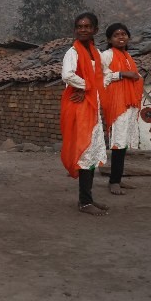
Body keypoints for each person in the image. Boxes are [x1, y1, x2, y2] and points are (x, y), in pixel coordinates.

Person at [60, 12, 109, 216]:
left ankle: (87, 198)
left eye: (87, 26)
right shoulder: (73, 52)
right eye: (79, 26)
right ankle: (84, 202)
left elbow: (103, 76)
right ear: (75, 30)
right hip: (79, 106)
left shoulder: (96, 53)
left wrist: (92, 89)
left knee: (91, 152)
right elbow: (68, 75)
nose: (83, 29)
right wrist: (86, 86)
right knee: (84, 150)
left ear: (95, 30)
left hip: (92, 105)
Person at [101, 23, 143, 195]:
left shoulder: (128, 56)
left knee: (123, 141)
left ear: (128, 37)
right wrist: (121, 74)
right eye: (116, 34)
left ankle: (117, 178)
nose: (121, 37)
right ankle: (114, 182)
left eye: (124, 34)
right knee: (118, 141)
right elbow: (99, 77)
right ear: (109, 39)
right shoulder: (106, 55)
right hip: (116, 103)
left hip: (129, 102)